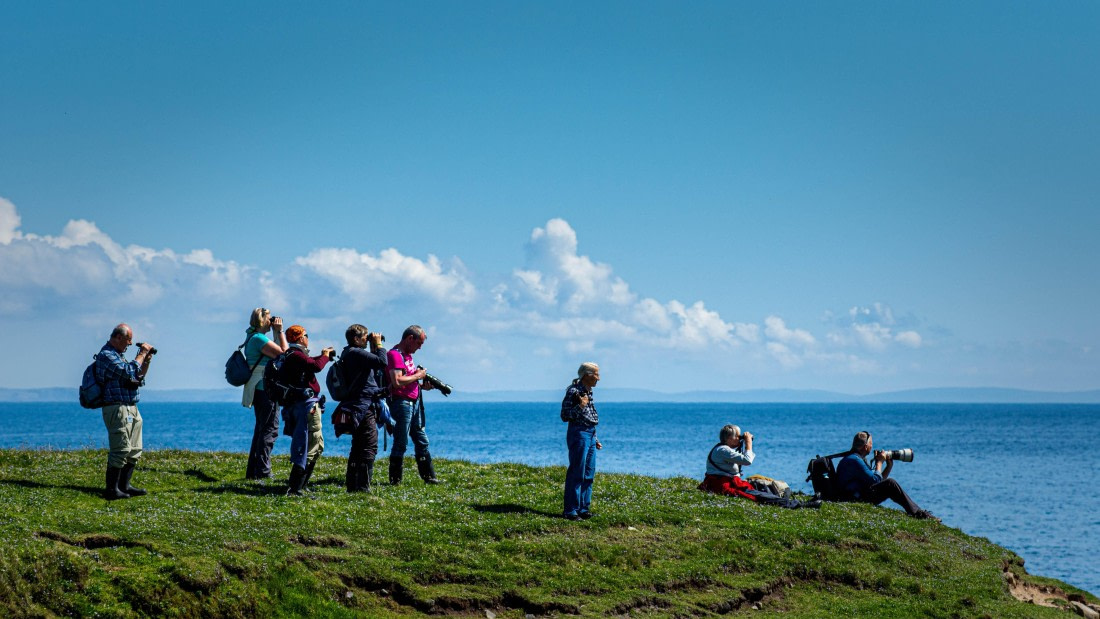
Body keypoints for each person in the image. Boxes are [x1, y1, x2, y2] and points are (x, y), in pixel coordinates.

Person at [94, 323, 155, 501]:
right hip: (116, 407)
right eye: (128, 340)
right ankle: (112, 490)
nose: (130, 344)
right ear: (118, 337)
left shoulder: (120, 357)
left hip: (131, 406)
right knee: (120, 449)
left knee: (134, 449)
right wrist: (141, 354)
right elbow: (127, 371)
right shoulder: (106, 356)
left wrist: (146, 361)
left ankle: (124, 485)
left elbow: (137, 377)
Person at [698, 424, 820, 509]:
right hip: (722, 485)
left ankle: (801, 500)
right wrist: (748, 443)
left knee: (761, 487)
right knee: (760, 496)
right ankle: (801, 505)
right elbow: (747, 460)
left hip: (727, 482)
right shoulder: (723, 450)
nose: (740, 438)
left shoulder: (723, 449)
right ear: (729, 438)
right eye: (737, 436)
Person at [335, 324, 389, 493]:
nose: (368, 339)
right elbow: (382, 362)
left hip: (356, 404)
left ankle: (352, 485)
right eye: (365, 337)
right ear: (356, 339)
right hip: (363, 406)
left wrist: (373, 347)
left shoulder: (348, 353)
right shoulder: (356, 353)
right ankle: (363, 486)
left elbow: (372, 364)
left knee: (357, 445)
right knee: (369, 445)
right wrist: (379, 344)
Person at [281, 325, 334, 496]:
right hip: (307, 407)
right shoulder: (296, 355)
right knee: (310, 445)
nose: (308, 338)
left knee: (313, 445)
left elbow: (311, 363)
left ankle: (301, 485)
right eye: (306, 335)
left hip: (301, 405)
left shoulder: (293, 355)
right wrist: (325, 356)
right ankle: (296, 487)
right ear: (300, 338)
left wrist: (324, 357)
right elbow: (316, 366)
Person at [835, 431, 937, 520]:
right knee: (890, 483)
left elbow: (877, 481)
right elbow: (875, 480)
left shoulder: (854, 458)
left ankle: (918, 512)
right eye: (871, 443)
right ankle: (918, 514)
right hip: (853, 499)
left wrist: (888, 466)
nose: (872, 446)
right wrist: (879, 462)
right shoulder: (855, 460)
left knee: (889, 484)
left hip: (854, 495)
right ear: (866, 446)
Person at [386, 325, 440, 485]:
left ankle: (429, 476)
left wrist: (422, 385)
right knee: (401, 442)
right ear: (410, 339)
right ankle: (395, 480)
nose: (420, 347)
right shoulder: (395, 355)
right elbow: (396, 382)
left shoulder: (408, 356)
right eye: (419, 343)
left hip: (414, 402)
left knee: (421, 438)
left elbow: (407, 379)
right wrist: (418, 375)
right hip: (401, 403)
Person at [242, 308, 288, 480]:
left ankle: (253, 471)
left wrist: (276, 332)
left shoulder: (252, 337)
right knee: (269, 429)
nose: (272, 321)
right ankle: (263, 471)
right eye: (269, 318)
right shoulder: (259, 339)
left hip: (258, 388)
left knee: (261, 429)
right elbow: (285, 354)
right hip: (265, 388)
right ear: (263, 320)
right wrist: (280, 331)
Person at [561, 362, 602, 521]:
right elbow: (565, 415)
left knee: (588, 473)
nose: (599, 378)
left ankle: (583, 509)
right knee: (577, 471)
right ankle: (570, 511)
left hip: (590, 434)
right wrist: (580, 406)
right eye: (596, 374)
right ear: (587, 375)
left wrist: (595, 437)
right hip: (579, 434)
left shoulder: (587, 391)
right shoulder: (574, 392)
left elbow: (589, 417)